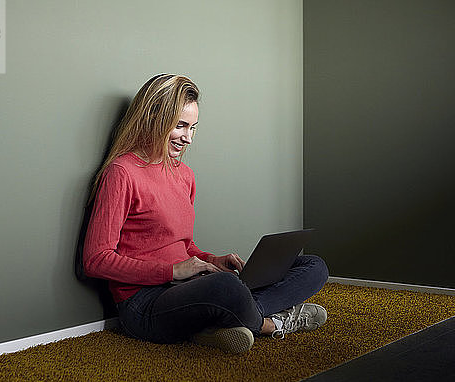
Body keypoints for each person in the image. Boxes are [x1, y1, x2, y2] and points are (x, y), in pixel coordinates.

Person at [83, 74, 329, 353]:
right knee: (225, 287)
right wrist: (172, 270)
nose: (188, 138)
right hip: (145, 305)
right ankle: (270, 324)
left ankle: (227, 320)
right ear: (153, 118)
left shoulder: (185, 175)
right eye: (180, 126)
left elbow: (184, 245)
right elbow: (96, 260)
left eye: (193, 128)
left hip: (191, 286)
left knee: (313, 266)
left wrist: (211, 259)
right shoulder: (122, 173)